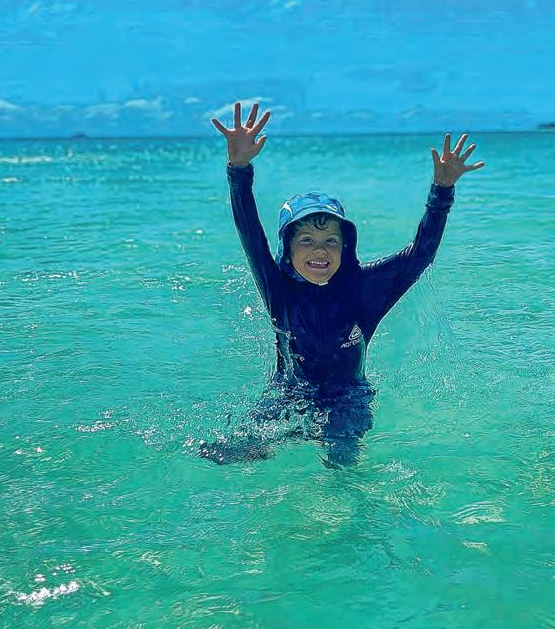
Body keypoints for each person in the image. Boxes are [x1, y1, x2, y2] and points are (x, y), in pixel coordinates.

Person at [198, 101, 484, 467]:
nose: (320, 250)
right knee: (235, 453)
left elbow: (420, 255)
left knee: (341, 465)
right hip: (289, 394)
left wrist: (441, 191)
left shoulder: (364, 289)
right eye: (306, 240)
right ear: (287, 249)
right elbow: (250, 233)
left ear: (345, 246)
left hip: (348, 398)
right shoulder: (277, 289)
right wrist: (238, 170)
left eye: (330, 241)